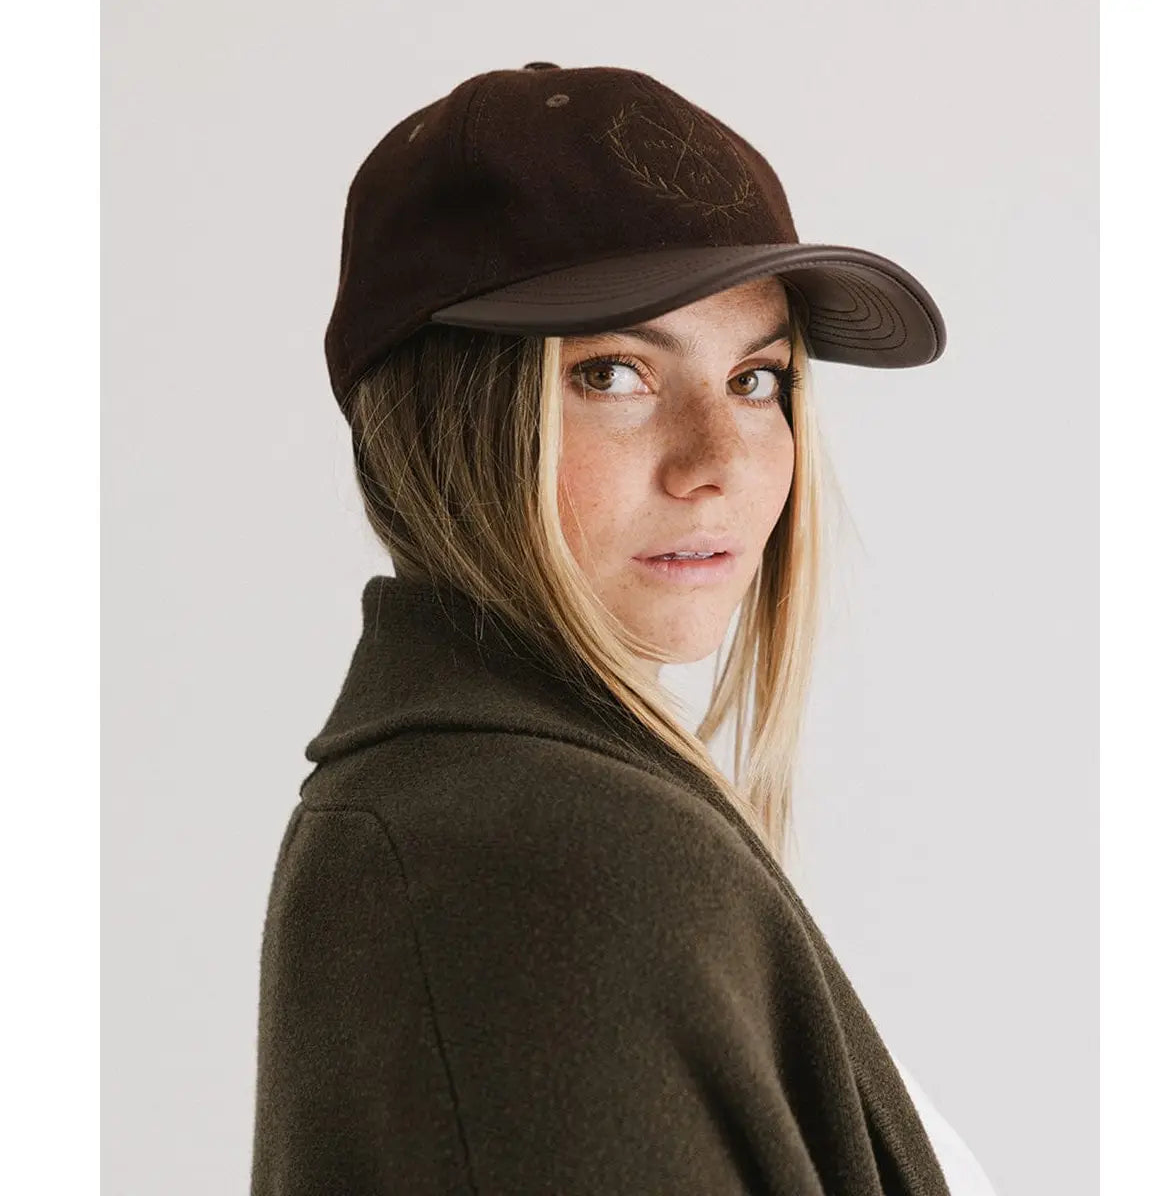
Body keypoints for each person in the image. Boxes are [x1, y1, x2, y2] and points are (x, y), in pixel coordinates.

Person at [249, 61, 999, 1194]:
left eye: (757, 378)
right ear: (440, 425)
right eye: (613, 372)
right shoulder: (552, 854)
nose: (719, 465)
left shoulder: (497, 811)